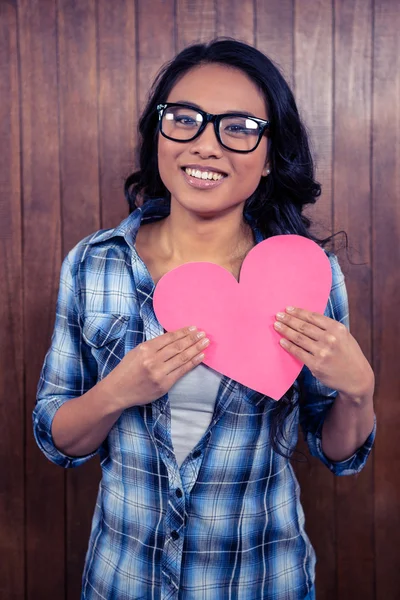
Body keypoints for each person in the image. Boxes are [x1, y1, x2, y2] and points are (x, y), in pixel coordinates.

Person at [33, 39, 376, 600]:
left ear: (270, 156)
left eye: (238, 126)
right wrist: (118, 391)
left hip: (264, 576)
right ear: (158, 134)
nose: (207, 144)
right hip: (124, 579)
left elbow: (336, 452)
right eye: (185, 119)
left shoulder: (307, 275)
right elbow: (57, 438)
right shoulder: (96, 263)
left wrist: (359, 393)